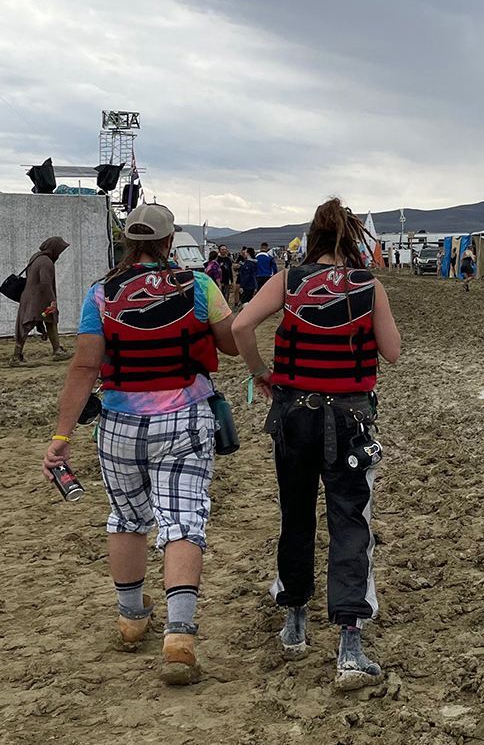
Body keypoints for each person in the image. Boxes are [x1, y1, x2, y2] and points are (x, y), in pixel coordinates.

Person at [41, 203, 236, 685]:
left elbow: (84, 367)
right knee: (183, 519)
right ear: (169, 242)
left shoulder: (101, 293)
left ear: (128, 242)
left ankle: (131, 619)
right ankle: (179, 635)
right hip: (184, 417)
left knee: (126, 517)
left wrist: (61, 436)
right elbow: (230, 343)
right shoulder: (198, 286)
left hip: (119, 422)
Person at [235, 199, 402, 693]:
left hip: (295, 414)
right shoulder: (368, 286)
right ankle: (350, 646)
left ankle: (295, 622)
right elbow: (393, 352)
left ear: (312, 237)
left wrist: (259, 372)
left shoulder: (288, 281)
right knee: (350, 522)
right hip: (349, 418)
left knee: (296, 514)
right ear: (351, 238)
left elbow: (242, 325)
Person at [14, 236, 69, 363]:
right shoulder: (46, 262)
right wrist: (52, 300)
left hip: (32, 296)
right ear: (54, 248)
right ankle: (16, 356)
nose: (59, 253)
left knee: (50, 321)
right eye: (59, 250)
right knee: (26, 325)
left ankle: (57, 349)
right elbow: (45, 283)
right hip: (38, 299)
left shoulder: (36, 257)